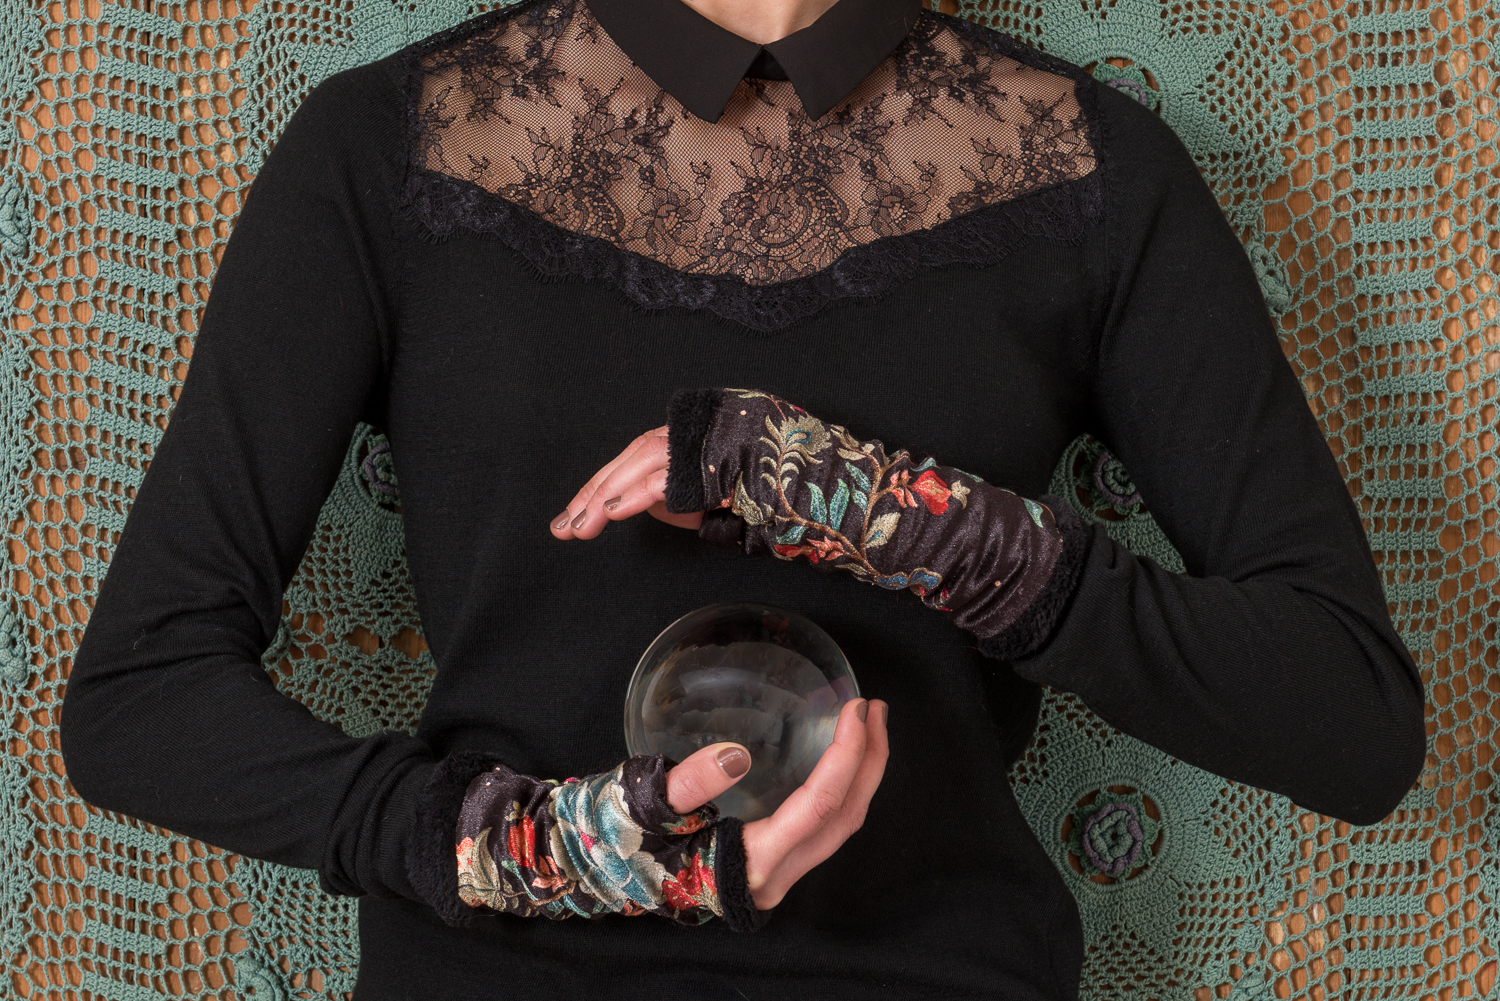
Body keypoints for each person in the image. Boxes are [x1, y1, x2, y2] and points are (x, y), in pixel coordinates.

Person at [58, 0, 1427, 994]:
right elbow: (140, 697)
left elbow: (1351, 717)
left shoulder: (1090, 170)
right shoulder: (393, 148)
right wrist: (542, 851)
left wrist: (879, 506)